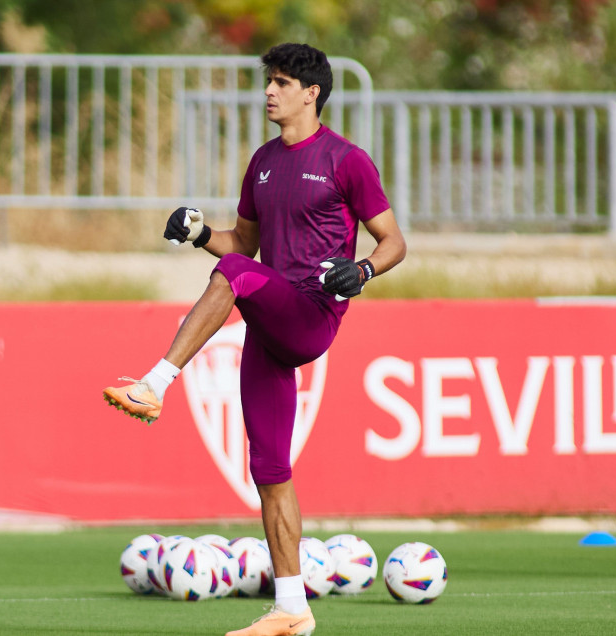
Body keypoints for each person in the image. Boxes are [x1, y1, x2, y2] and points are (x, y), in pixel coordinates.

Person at [104, 42, 405, 636]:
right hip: (269, 318)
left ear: (311, 92)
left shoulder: (348, 160)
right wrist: (197, 233)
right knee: (269, 470)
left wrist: (364, 269)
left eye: (283, 82)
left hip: (313, 313)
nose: (270, 91)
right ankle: (293, 609)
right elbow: (241, 246)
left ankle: (154, 384)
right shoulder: (263, 161)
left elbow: (393, 240)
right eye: (269, 80)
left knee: (239, 279)